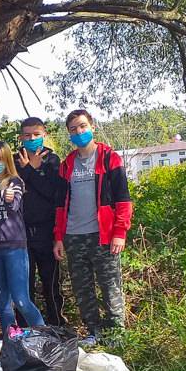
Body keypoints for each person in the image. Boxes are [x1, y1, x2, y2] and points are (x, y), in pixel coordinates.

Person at [53, 110, 133, 346]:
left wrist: (120, 232)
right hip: (74, 236)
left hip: (104, 235)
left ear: (92, 127)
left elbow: (123, 199)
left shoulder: (109, 158)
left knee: (110, 286)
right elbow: (59, 205)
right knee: (82, 288)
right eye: (74, 129)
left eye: (83, 126)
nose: (79, 132)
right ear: (69, 133)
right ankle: (93, 332)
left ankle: (116, 335)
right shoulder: (66, 165)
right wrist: (58, 237)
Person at [0, 141, 46, 336]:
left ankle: (45, 336)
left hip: (14, 247)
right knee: (2, 300)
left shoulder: (14, 181)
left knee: (21, 299)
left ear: (7, 161)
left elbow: (15, 204)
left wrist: (9, 199)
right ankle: (11, 341)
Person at [15, 117, 67, 326]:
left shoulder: (52, 160)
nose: (32, 138)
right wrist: (27, 170)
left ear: (44, 134)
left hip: (47, 231)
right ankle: (24, 329)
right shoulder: (14, 159)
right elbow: (13, 188)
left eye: (36, 134)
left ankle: (57, 326)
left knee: (51, 284)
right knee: (23, 285)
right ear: (21, 137)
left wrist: (31, 170)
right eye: (27, 135)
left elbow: (53, 194)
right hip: (20, 233)